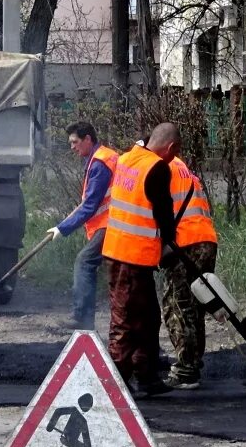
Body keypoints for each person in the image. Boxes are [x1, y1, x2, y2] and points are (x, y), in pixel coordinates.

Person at [101, 122, 182, 398]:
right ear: (170, 148)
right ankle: (117, 383)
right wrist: (170, 245)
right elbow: (164, 212)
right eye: (175, 153)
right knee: (127, 321)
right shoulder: (157, 167)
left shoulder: (126, 158)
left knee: (146, 318)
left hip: (118, 251)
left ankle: (144, 376)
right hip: (132, 257)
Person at [47, 121, 120, 330]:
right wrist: (63, 223)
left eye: (75, 142)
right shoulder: (102, 157)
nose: (72, 147)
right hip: (117, 222)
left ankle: (82, 318)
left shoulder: (100, 163)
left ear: (88, 139)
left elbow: (90, 205)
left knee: (84, 262)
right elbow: (87, 202)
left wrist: (62, 229)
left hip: (111, 223)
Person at [160, 151, 219, 390]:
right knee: (196, 305)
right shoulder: (184, 169)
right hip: (206, 239)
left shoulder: (161, 167)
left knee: (176, 305)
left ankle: (186, 370)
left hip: (184, 244)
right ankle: (193, 363)